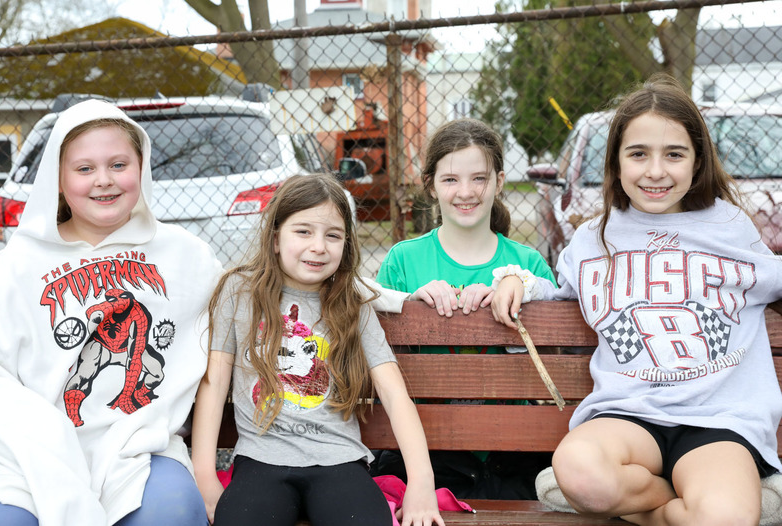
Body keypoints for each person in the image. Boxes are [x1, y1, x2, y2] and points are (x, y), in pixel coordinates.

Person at [491, 74, 782, 525]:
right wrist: (514, 279)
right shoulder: (593, 238)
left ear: (697, 160)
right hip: (628, 416)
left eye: (674, 154)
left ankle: (667, 503)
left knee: (723, 518)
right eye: (639, 154)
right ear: (617, 162)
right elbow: (554, 290)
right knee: (579, 472)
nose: (656, 171)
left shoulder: (732, 228)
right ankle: (667, 498)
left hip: (719, 420)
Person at [0, 99, 222, 526]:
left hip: (137, 448)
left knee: (172, 513)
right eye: (84, 168)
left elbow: (258, 296)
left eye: (118, 164)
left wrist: (374, 297)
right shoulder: (14, 267)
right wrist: (40, 436)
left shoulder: (186, 255)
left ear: (141, 167)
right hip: (28, 451)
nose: (104, 181)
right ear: (58, 178)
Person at [191, 173, 443, 526]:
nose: (319, 246)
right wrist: (204, 477)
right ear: (276, 238)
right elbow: (214, 384)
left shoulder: (352, 303)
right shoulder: (240, 292)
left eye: (333, 235)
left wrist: (422, 483)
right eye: (303, 231)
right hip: (261, 463)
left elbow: (393, 392)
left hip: (339, 462)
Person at [374, 118, 557, 500]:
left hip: (513, 444)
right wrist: (411, 308)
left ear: (500, 182)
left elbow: (555, 361)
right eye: (451, 180)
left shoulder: (527, 264)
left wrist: (516, 290)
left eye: (479, 178)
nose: (466, 192)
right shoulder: (404, 262)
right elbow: (375, 359)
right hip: (429, 445)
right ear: (431, 185)